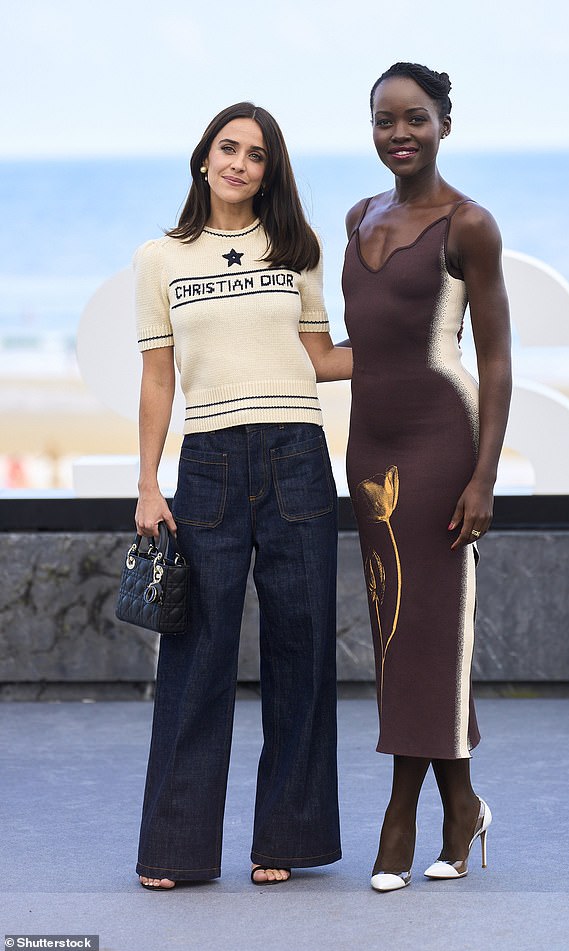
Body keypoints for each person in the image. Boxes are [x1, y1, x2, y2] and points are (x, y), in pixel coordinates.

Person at [133, 101, 352, 889]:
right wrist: (147, 480)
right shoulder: (159, 258)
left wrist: (409, 341)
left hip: (297, 454)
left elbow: (320, 358)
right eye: (229, 148)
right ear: (203, 159)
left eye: (257, 155)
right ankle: (176, 849)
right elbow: (159, 377)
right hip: (210, 465)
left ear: (270, 170)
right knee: (197, 657)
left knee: (302, 649)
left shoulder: (298, 246)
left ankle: (285, 841)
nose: (240, 164)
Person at [342, 63, 512, 891]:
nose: (398, 134)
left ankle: (401, 814)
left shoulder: (469, 224)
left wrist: (484, 475)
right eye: (384, 120)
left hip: (442, 439)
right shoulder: (356, 216)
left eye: (415, 119)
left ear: (444, 123)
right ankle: (466, 801)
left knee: (428, 625)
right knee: (399, 629)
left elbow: (497, 357)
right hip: (367, 448)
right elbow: (360, 345)